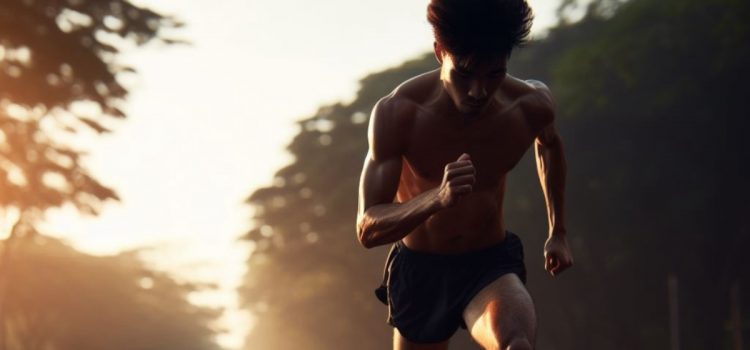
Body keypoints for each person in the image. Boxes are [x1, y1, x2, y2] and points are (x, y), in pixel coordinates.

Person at [355, 0, 574, 349]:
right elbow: (368, 227)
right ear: (440, 51)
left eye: (493, 75)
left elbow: (549, 144)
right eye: (465, 74)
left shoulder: (530, 105)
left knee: (515, 345)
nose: (479, 92)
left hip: (488, 265)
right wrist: (435, 198)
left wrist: (558, 230)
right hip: (420, 272)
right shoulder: (398, 114)